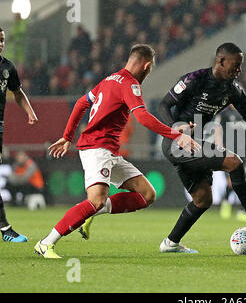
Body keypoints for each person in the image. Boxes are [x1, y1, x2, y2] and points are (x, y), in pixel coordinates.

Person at [34, 44, 200, 259]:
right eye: (149, 71)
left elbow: (80, 103)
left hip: (109, 151)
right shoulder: (130, 85)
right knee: (95, 200)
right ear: (147, 66)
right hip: (97, 148)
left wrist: (67, 136)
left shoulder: (109, 80)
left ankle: (88, 212)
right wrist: (176, 136)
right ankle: (45, 243)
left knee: (147, 194)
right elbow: (142, 117)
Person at [156, 42, 246, 253]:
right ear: (221, 61)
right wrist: (175, 129)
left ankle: (170, 243)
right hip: (176, 143)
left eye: (240, 66)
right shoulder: (193, 80)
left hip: (195, 145)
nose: (239, 70)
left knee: (203, 199)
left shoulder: (233, 90)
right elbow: (163, 105)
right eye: (235, 65)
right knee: (234, 162)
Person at [0, 27, 38, 242]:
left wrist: (29, 110)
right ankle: (5, 228)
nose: (1, 43)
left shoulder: (7, 67)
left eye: (3, 40)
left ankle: (5, 229)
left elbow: (17, 92)